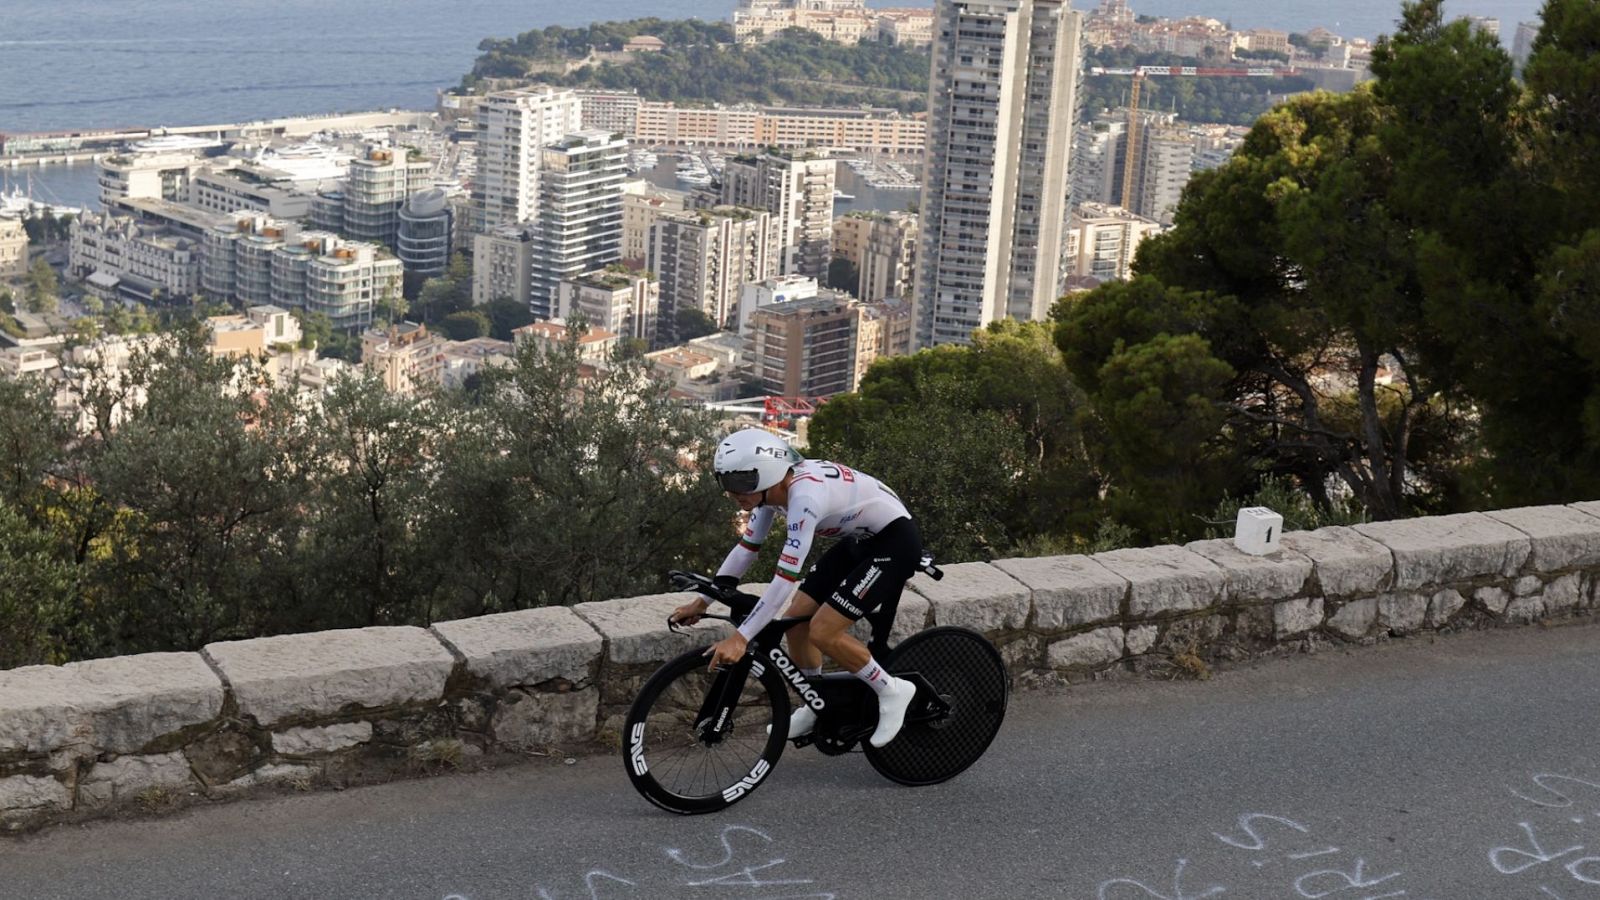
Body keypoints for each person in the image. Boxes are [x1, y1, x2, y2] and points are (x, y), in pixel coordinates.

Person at [670, 427, 921, 748]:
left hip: (895, 542)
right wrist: (702, 601)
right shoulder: (770, 493)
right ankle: (817, 701)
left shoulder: (804, 498)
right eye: (726, 482)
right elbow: (747, 549)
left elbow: (784, 579)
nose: (733, 493)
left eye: (741, 482)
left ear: (768, 474)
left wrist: (741, 638)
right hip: (859, 541)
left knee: (823, 631)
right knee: (796, 622)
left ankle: (892, 690)